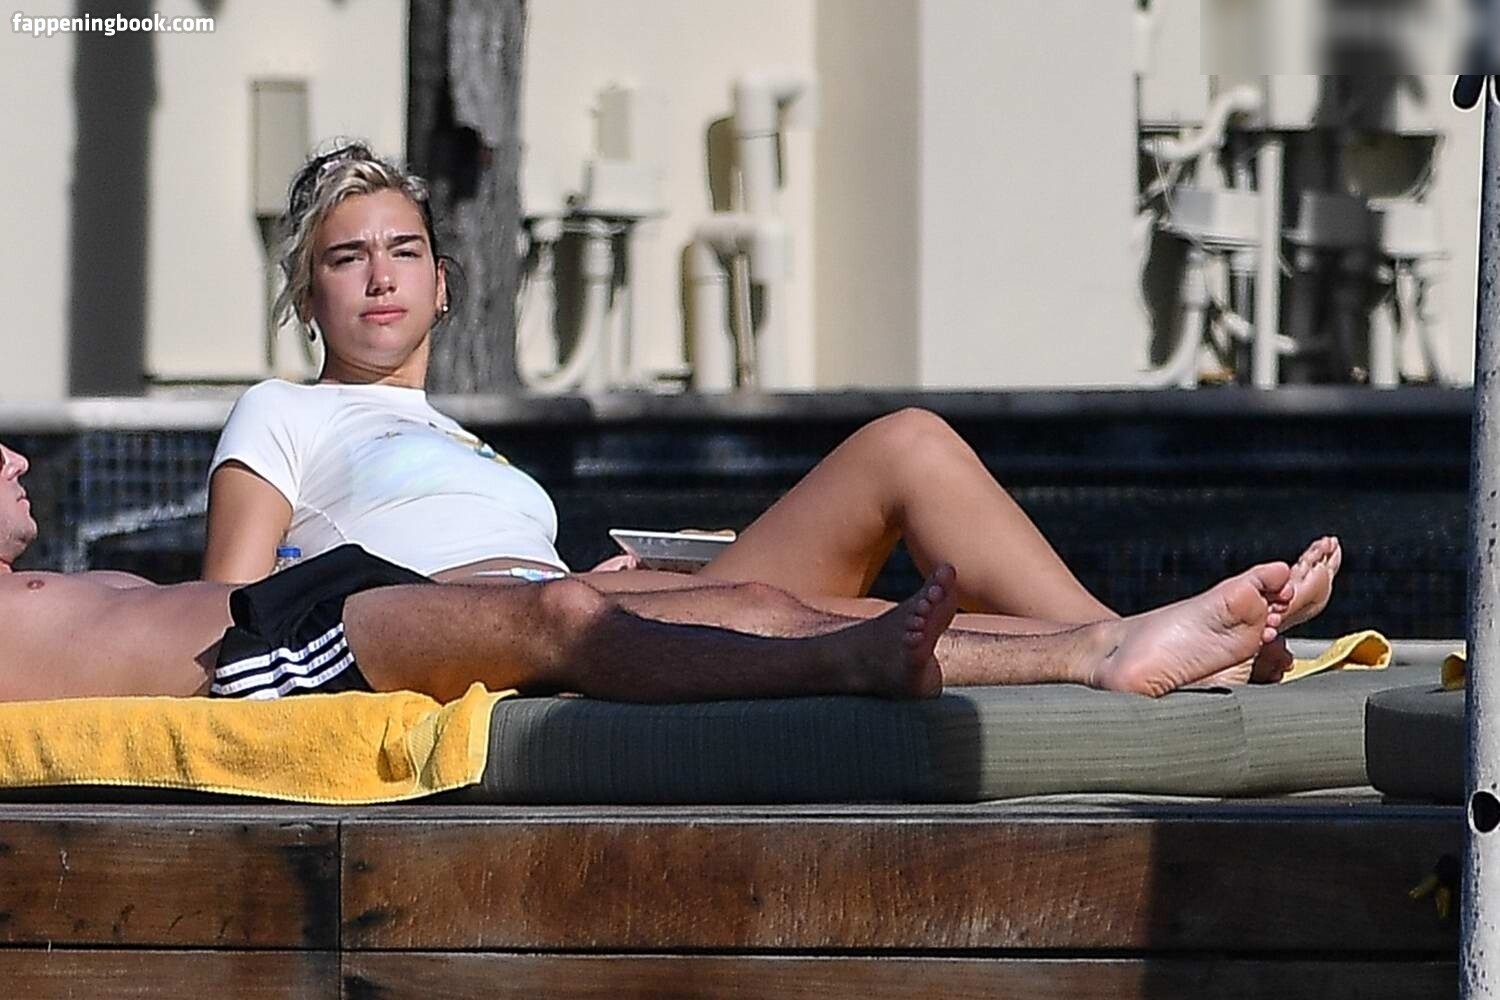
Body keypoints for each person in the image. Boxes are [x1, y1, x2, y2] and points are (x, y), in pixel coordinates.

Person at [201, 142, 1338, 681]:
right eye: (347, 258)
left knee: (908, 444)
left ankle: (1151, 634)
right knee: (816, 612)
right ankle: (1145, 650)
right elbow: (233, 613)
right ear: (309, 295)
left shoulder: (462, 443)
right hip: (479, 623)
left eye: (404, 251)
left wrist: (596, 569)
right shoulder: (281, 411)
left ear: (445, 284)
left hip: (575, 595)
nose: (381, 277)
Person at [0, 441, 1299, 701]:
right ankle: (1085, 651)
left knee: (739, 600)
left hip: (307, 608)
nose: (16, 457)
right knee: (568, 616)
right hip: (260, 662)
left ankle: (1110, 644)